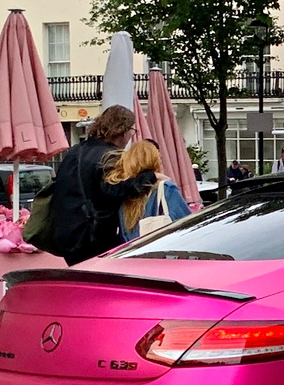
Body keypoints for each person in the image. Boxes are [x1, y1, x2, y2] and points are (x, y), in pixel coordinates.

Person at [50, 105, 157, 265]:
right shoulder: (110, 156)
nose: (130, 137)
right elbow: (114, 189)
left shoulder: (75, 151)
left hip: (65, 234)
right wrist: (149, 177)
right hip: (93, 236)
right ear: (123, 130)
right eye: (132, 131)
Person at [107, 141, 192, 242]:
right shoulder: (166, 188)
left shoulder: (124, 194)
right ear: (154, 161)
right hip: (161, 250)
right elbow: (189, 224)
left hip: (133, 253)